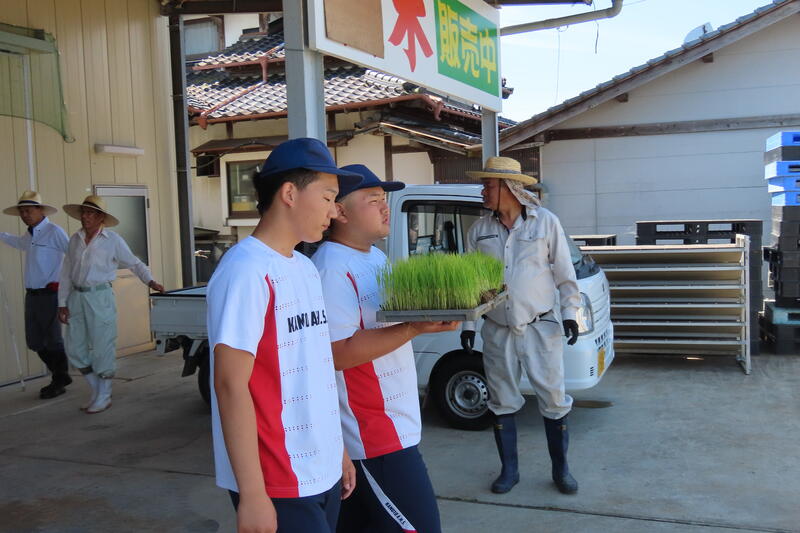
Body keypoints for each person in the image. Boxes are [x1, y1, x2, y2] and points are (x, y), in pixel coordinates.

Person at [207, 138, 362, 533]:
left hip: (320, 468)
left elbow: (317, 369)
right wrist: (253, 494)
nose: (335, 210)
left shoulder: (304, 268)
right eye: (327, 197)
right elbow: (229, 385)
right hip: (277, 477)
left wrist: (337, 449)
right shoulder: (246, 270)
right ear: (289, 194)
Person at [312, 164, 458, 533]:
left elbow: (385, 330)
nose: (385, 207)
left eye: (384, 199)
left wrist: (425, 318)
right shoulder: (331, 269)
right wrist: (413, 327)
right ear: (340, 212)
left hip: (395, 423)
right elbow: (337, 353)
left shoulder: (375, 257)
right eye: (373, 200)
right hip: (371, 435)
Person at [460, 156, 582, 495]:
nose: (483, 191)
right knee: (501, 400)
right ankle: (509, 471)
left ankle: (561, 470)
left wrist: (570, 313)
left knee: (553, 398)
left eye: (488, 185)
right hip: (497, 329)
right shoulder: (479, 230)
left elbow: (565, 272)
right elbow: (470, 284)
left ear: (509, 188)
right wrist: (468, 327)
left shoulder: (545, 223)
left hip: (540, 327)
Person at [57, 195, 164, 414]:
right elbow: (66, 272)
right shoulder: (75, 239)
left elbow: (134, 263)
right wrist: (62, 302)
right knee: (74, 347)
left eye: (90, 213)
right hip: (77, 296)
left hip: (100, 296)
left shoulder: (112, 240)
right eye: (84, 212)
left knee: (102, 345)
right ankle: (97, 389)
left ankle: (104, 394)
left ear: (101, 217)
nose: (85, 217)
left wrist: (150, 281)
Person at [1, 191, 71, 399]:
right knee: (34, 341)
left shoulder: (54, 232)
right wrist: (2, 236)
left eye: (28, 210)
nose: (25, 215)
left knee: (53, 340)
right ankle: (61, 375)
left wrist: (67, 287)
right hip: (32, 296)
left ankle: (59, 378)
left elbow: (73, 255)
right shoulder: (30, 234)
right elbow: (20, 244)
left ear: (40, 210)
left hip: (50, 294)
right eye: (22, 212)